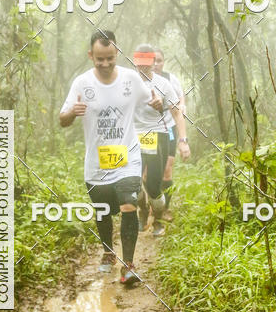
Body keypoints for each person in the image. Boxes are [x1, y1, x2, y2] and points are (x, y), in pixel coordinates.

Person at [59, 30, 163, 286]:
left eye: (110, 58)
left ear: (117, 53)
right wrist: (73, 111)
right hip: (96, 162)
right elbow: (62, 120)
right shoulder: (81, 84)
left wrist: (158, 102)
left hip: (127, 158)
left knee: (127, 204)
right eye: (99, 59)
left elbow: (154, 99)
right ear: (90, 55)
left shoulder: (131, 79)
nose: (105, 64)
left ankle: (128, 266)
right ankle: (108, 251)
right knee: (103, 210)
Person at [132, 45, 190, 236]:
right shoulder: (126, 82)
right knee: (133, 183)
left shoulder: (164, 84)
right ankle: (142, 210)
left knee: (154, 185)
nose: (143, 69)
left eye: (147, 65)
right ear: (134, 63)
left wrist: (183, 140)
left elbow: (177, 113)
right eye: (139, 65)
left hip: (158, 134)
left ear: (152, 63)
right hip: (133, 136)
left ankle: (157, 218)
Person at [153, 49, 187, 222]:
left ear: (163, 62)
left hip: (169, 127)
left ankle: (165, 209)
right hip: (148, 130)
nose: (156, 63)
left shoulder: (170, 79)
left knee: (167, 168)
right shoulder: (140, 80)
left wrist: (180, 109)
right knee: (147, 172)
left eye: (159, 60)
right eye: (153, 60)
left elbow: (181, 98)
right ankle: (152, 203)